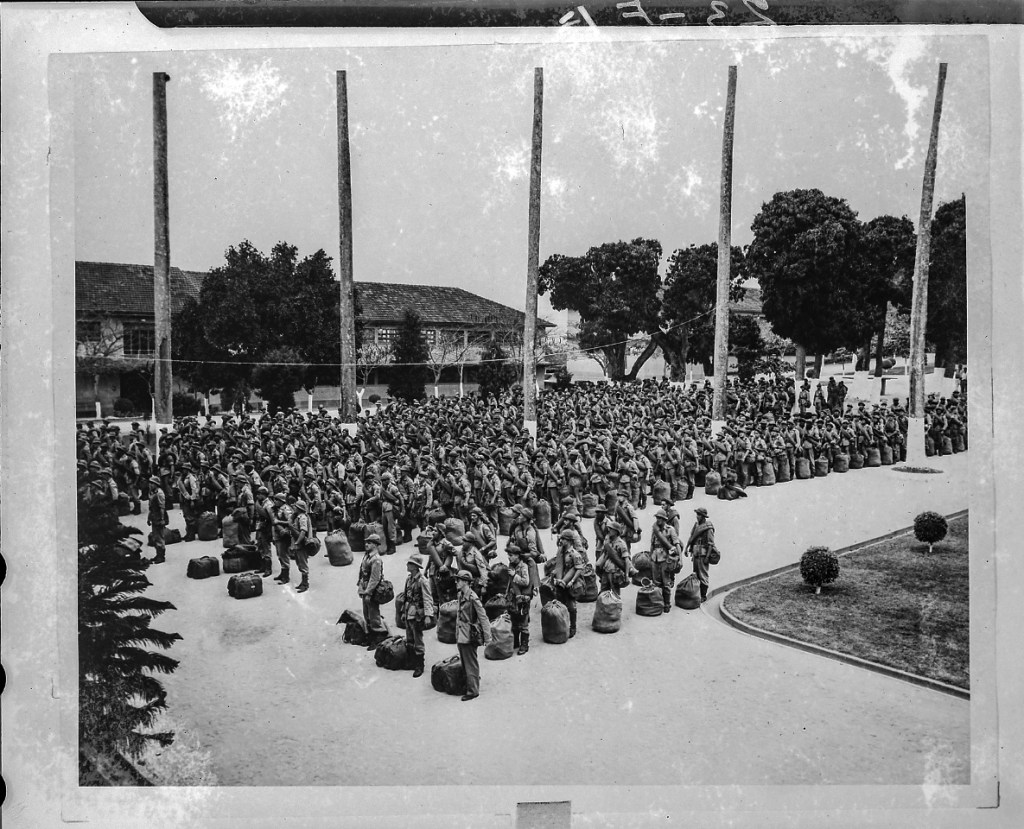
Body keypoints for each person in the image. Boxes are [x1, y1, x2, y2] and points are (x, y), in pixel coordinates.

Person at [455, 569, 492, 701]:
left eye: (458, 580)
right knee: (465, 662)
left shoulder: (472, 598)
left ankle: (473, 691)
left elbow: (483, 617)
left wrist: (488, 637)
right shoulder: (461, 595)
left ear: (465, 582)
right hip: (462, 633)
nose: (456, 582)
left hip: (470, 634)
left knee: (471, 662)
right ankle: (470, 684)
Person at [402, 553, 435, 678]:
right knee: (409, 638)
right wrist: (403, 612)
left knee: (418, 640)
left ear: (415, 567)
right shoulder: (409, 579)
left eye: (409, 563)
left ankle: (419, 665)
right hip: (408, 612)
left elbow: (428, 599)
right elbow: (406, 597)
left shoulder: (422, 581)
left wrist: (428, 615)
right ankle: (412, 661)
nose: (407, 565)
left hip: (417, 615)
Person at [358, 533, 390, 650]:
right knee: (366, 613)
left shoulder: (376, 559)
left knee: (373, 614)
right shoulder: (367, 556)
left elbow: (375, 578)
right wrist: (360, 586)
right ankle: (371, 635)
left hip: (372, 589)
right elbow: (362, 571)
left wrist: (368, 593)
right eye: (366, 542)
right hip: (365, 587)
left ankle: (379, 636)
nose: (366, 544)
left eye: (369, 543)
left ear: (376, 545)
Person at [552, 528, 585, 638]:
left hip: (570, 583)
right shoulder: (562, 551)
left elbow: (579, 569)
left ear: (569, 541)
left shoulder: (574, 554)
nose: (561, 540)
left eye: (563, 539)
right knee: (561, 603)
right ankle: (562, 625)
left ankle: (573, 627)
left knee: (571, 606)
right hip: (561, 580)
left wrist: (571, 581)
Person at [649, 509, 682, 613]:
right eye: (657, 518)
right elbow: (652, 543)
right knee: (655, 582)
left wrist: (680, 559)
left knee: (666, 583)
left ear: (664, 519)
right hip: (655, 558)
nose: (658, 520)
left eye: (660, 518)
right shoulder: (655, 529)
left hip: (665, 558)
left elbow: (677, 544)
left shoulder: (670, 529)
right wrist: (650, 556)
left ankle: (667, 604)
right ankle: (658, 602)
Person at [506, 541, 534, 655]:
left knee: (523, 623)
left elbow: (526, 581)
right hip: (514, 598)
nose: (509, 557)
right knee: (514, 620)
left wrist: (514, 575)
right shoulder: (512, 566)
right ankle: (516, 643)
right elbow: (509, 583)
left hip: (523, 599)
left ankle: (524, 645)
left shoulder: (523, 567)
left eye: (511, 555)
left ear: (517, 555)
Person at [684, 507, 716, 604]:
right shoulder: (696, 525)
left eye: (699, 515)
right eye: (697, 514)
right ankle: (697, 593)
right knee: (696, 574)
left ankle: (703, 595)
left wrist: (707, 557)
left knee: (703, 575)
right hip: (696, 553)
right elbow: (691, 537)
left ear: (703, 516)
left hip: (703, 554)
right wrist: (687, 548)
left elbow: (711, 544)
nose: (697, 517)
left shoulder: (708, 527)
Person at [289, 499, 312, 593]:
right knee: (299, 563)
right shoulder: (297, 516)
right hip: (298, 544)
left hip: (301, 544)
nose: (294, 508)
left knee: (303, 564)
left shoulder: (302, 517)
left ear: (299, 508)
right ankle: (303, 582)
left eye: (295, 507)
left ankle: (305, 584)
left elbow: (303, 532)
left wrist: (297, 542)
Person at [146, 474, 167, 564]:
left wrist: (162, 519)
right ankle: (158, 555)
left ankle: (161, 556)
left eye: (152, 483)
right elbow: (151, 508)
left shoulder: (159, 493)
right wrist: (149, 518)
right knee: (155, 537)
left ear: (156, 484)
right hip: (154, 517)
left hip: (159, 517)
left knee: (160, 538)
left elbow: (162, 507)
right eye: (150, 483)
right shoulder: (153, 493)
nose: (150, 485)